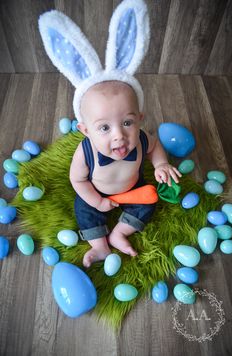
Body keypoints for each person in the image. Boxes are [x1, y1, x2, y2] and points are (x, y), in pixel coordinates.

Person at [70, 80, 182, 267]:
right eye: (104, 127)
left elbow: (155, 147)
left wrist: (161, 163)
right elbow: (78, 180)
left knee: (147, 205)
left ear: (139, 119)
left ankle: (119, 233)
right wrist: (97, 201)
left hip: (133, 188)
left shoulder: (143, 139)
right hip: (97, 191)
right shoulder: (85, 152)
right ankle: (99, 246)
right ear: (86, 131)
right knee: (83, 208)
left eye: (127, 123)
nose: (119, 135)